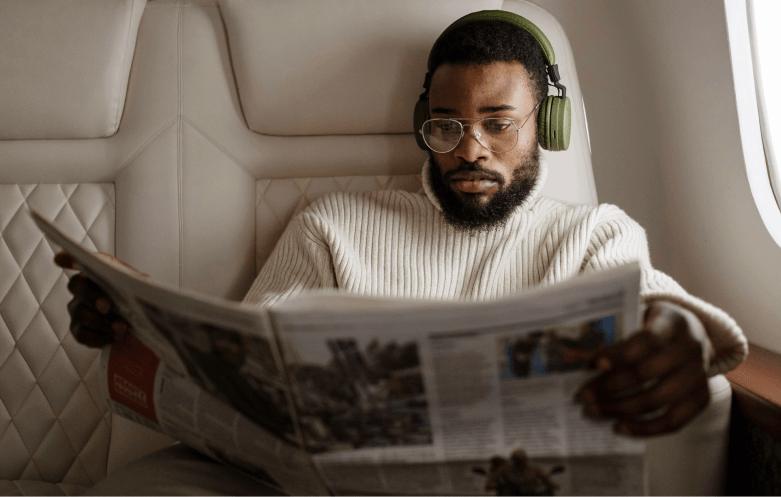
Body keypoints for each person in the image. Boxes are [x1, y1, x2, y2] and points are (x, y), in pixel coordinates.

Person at [58, 9, 747, 495]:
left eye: (498, 125)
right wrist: (138, 323)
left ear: (547, 127)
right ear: (424, 127)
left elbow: (663, 310)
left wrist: (679, 333)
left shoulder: (592, 234)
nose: (470, 148)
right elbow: (251, 375)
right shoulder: (332, 227)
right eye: (448, 126)